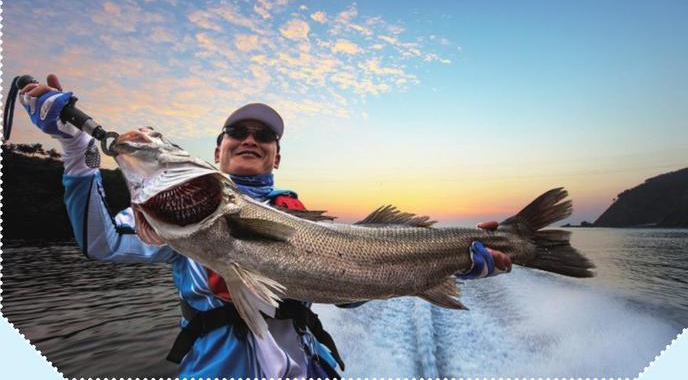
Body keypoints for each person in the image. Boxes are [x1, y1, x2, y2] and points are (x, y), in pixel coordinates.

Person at [19, 74, 512, 378]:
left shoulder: (295, 216)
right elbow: (101, 243)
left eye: (264, 136)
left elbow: (352, 289)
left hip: (308, 365)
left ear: (277, 155)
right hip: (215, 369)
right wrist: (75, 154)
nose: (250, 139)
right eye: (237, 132)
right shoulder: (171, 220)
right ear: (216, 152)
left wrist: (453, 262)